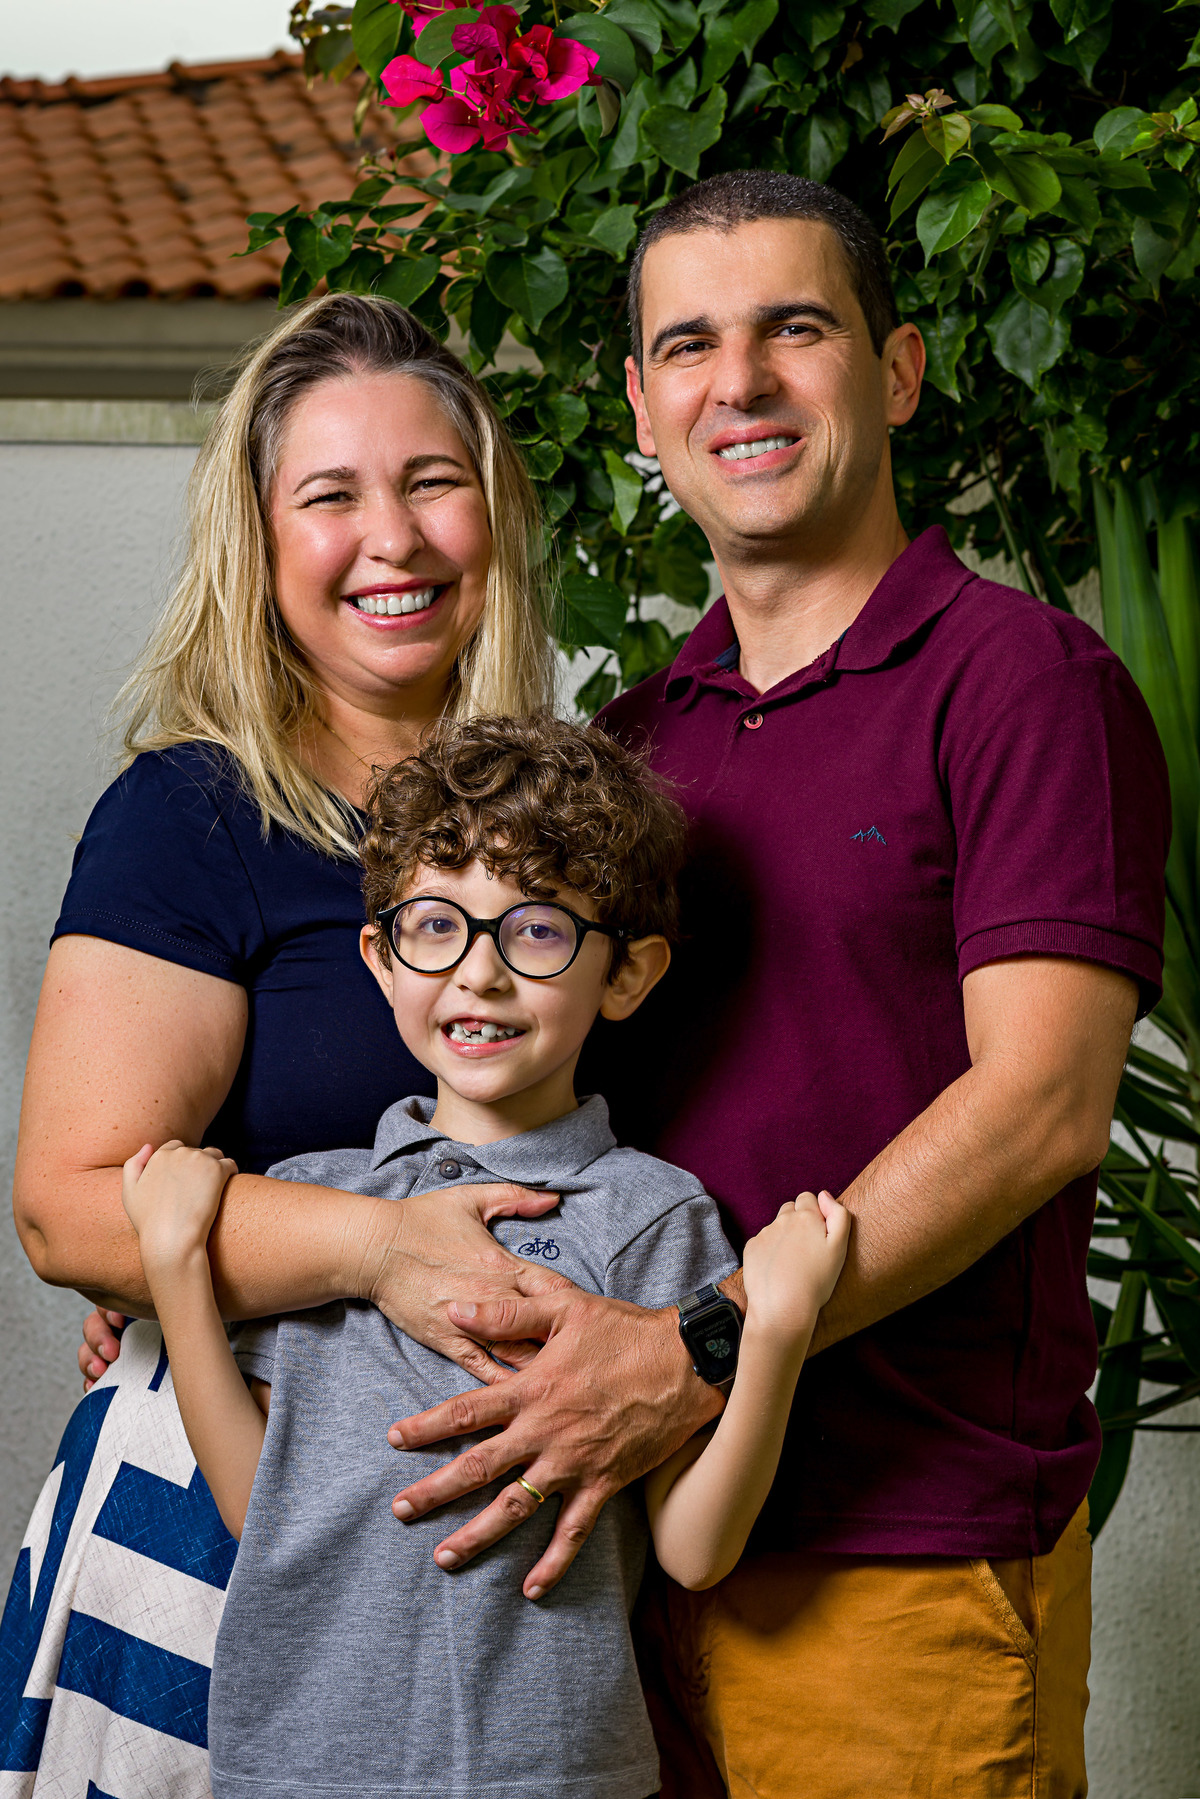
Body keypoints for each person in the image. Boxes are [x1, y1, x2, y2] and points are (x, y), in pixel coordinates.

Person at [356, 174, 1171, 1797]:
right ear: (647, 406)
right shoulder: (636, 736)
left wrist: (698, 1345)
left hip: (898, 1556)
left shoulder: (1022, 682)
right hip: (627, 1553)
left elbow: (1044, 1104)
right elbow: (518, 1060)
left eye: (795, 327)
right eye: (690, 345)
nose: (740, 381)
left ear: (898, 369)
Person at [2, 292, 564, 1788]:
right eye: (331, 495)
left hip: (509, 1550)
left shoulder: (577, 820)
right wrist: (368, 1249)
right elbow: (69, 1199)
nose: (394, 537)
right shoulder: (196, 817)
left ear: (493, 512)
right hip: (218, 1519)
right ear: (259, 543)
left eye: (433, 481)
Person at [117, 714, 849, 1799]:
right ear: (381, 953)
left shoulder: (656, 1218)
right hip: (297, 1762)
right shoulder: (314, 1202)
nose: (480, 974)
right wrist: (178, 1257)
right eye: (436, 925)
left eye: (538, 930)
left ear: (628, 974)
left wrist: (776, 1330)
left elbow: (692, 1550)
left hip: (552, 1769)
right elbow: (253, 1504)